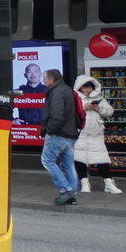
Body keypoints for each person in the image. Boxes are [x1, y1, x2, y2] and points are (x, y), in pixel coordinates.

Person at [72, 75, 123, 194]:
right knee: (80, 158)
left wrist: (98, 108)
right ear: (79, 87)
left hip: (96, 133)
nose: (87, 90)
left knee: (102, 158)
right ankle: (84, 183)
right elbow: (69, 113)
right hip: (81, 133)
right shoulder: (75, 99)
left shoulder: (100, 98)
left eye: (89, 87)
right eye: (85, 87)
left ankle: (108, 183)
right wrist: (83, 108)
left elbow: (109, 112)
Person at [39, 69, 80, 205]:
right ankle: (72, 196)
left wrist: (49, 130)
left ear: (52, 80)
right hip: (71, 134)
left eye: (44, 78)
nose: (43, 81)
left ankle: (66, 189)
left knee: (47, 161)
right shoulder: (67, 89)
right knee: (68, 166)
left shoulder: (56, 92)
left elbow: (57, 115)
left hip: (58, 134)